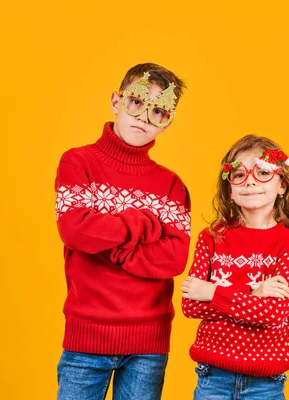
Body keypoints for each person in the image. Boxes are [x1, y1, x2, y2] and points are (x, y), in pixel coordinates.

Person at [55, 63, 190, 400]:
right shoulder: (77, 163)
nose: (144, 117)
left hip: (148, 343)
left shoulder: (171, 185)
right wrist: (143, 223)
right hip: (87, 337)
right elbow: (75, 231)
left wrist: (110, 243)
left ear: (169, 120)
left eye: (159, 111)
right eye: (136, 102)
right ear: (116, 101)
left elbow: (174, 258)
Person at [181, 134, 289, 399]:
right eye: (238, 175)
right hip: (212, 376)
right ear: (229, 189)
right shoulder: (212, 236)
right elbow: (190, 304)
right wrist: (255, 294)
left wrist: (213, 293)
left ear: (282, 185)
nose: (249, 181)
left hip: (265, 382)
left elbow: (274, 313)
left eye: (262, 172)